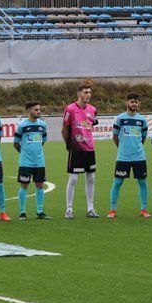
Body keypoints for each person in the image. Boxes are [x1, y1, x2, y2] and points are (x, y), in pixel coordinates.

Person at [108, 93, 150, 219]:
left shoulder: (142, 120)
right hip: (123, 157)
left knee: (142, 183)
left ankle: (144, 209)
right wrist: (122, 149)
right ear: (127, 103)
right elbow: (115, 137)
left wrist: (136, 148)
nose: (134, 104)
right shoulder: (120, 119)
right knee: (117, 182)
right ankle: (112, 210)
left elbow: (143, 138)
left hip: (139, 157)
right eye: (132, 102)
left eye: (136, 102)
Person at [62, 84, 99, 219]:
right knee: (73, 178)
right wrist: (69, 144)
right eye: (85, 92)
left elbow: (92, 123)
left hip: (90, 148)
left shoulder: (93, 109)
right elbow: (64, 129)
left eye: (89, 92)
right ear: (79, 94)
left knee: (91, 177)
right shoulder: (70, 109)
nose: (88, 95)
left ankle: (90, 208)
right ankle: (69, 209)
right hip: (76, 148)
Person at [14, 101, 50, 220]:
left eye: (39, 109)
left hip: (39, 161)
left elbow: (43, 140)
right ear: (29, 110)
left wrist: (36, 152)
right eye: (36, 110)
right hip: (25, 162)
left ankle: (40, 211)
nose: (38, 112)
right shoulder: (22, 125)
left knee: (39, 185)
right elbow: (16, 143)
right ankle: (22, 212)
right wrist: (25, 153)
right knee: (24, 185)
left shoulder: (42, 125)